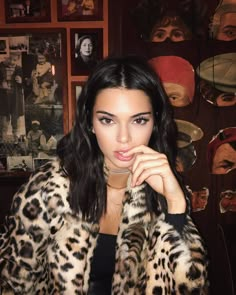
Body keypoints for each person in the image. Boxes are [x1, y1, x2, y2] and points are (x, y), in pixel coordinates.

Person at [0, 56, 209, 294]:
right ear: (90, 122)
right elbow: (13, 283)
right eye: (108, 120)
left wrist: (176, 204)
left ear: (156, 123)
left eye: (139, 120)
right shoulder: (46, 189)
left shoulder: (162, 186)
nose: (124, 138)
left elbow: (190, 286)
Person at [0, 53, 24, 143]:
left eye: (14, 60)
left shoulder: (19, 69)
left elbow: (23, 85)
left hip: (15, 98)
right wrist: (1, 85)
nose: (11, 62)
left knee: (15, 118)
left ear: (17, 60)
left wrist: (21, 81)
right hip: (3, 98)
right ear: (6, 58)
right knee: (3, 120)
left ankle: (15, 139)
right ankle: (2, 139)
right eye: (10, 59)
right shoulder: (0, 67)